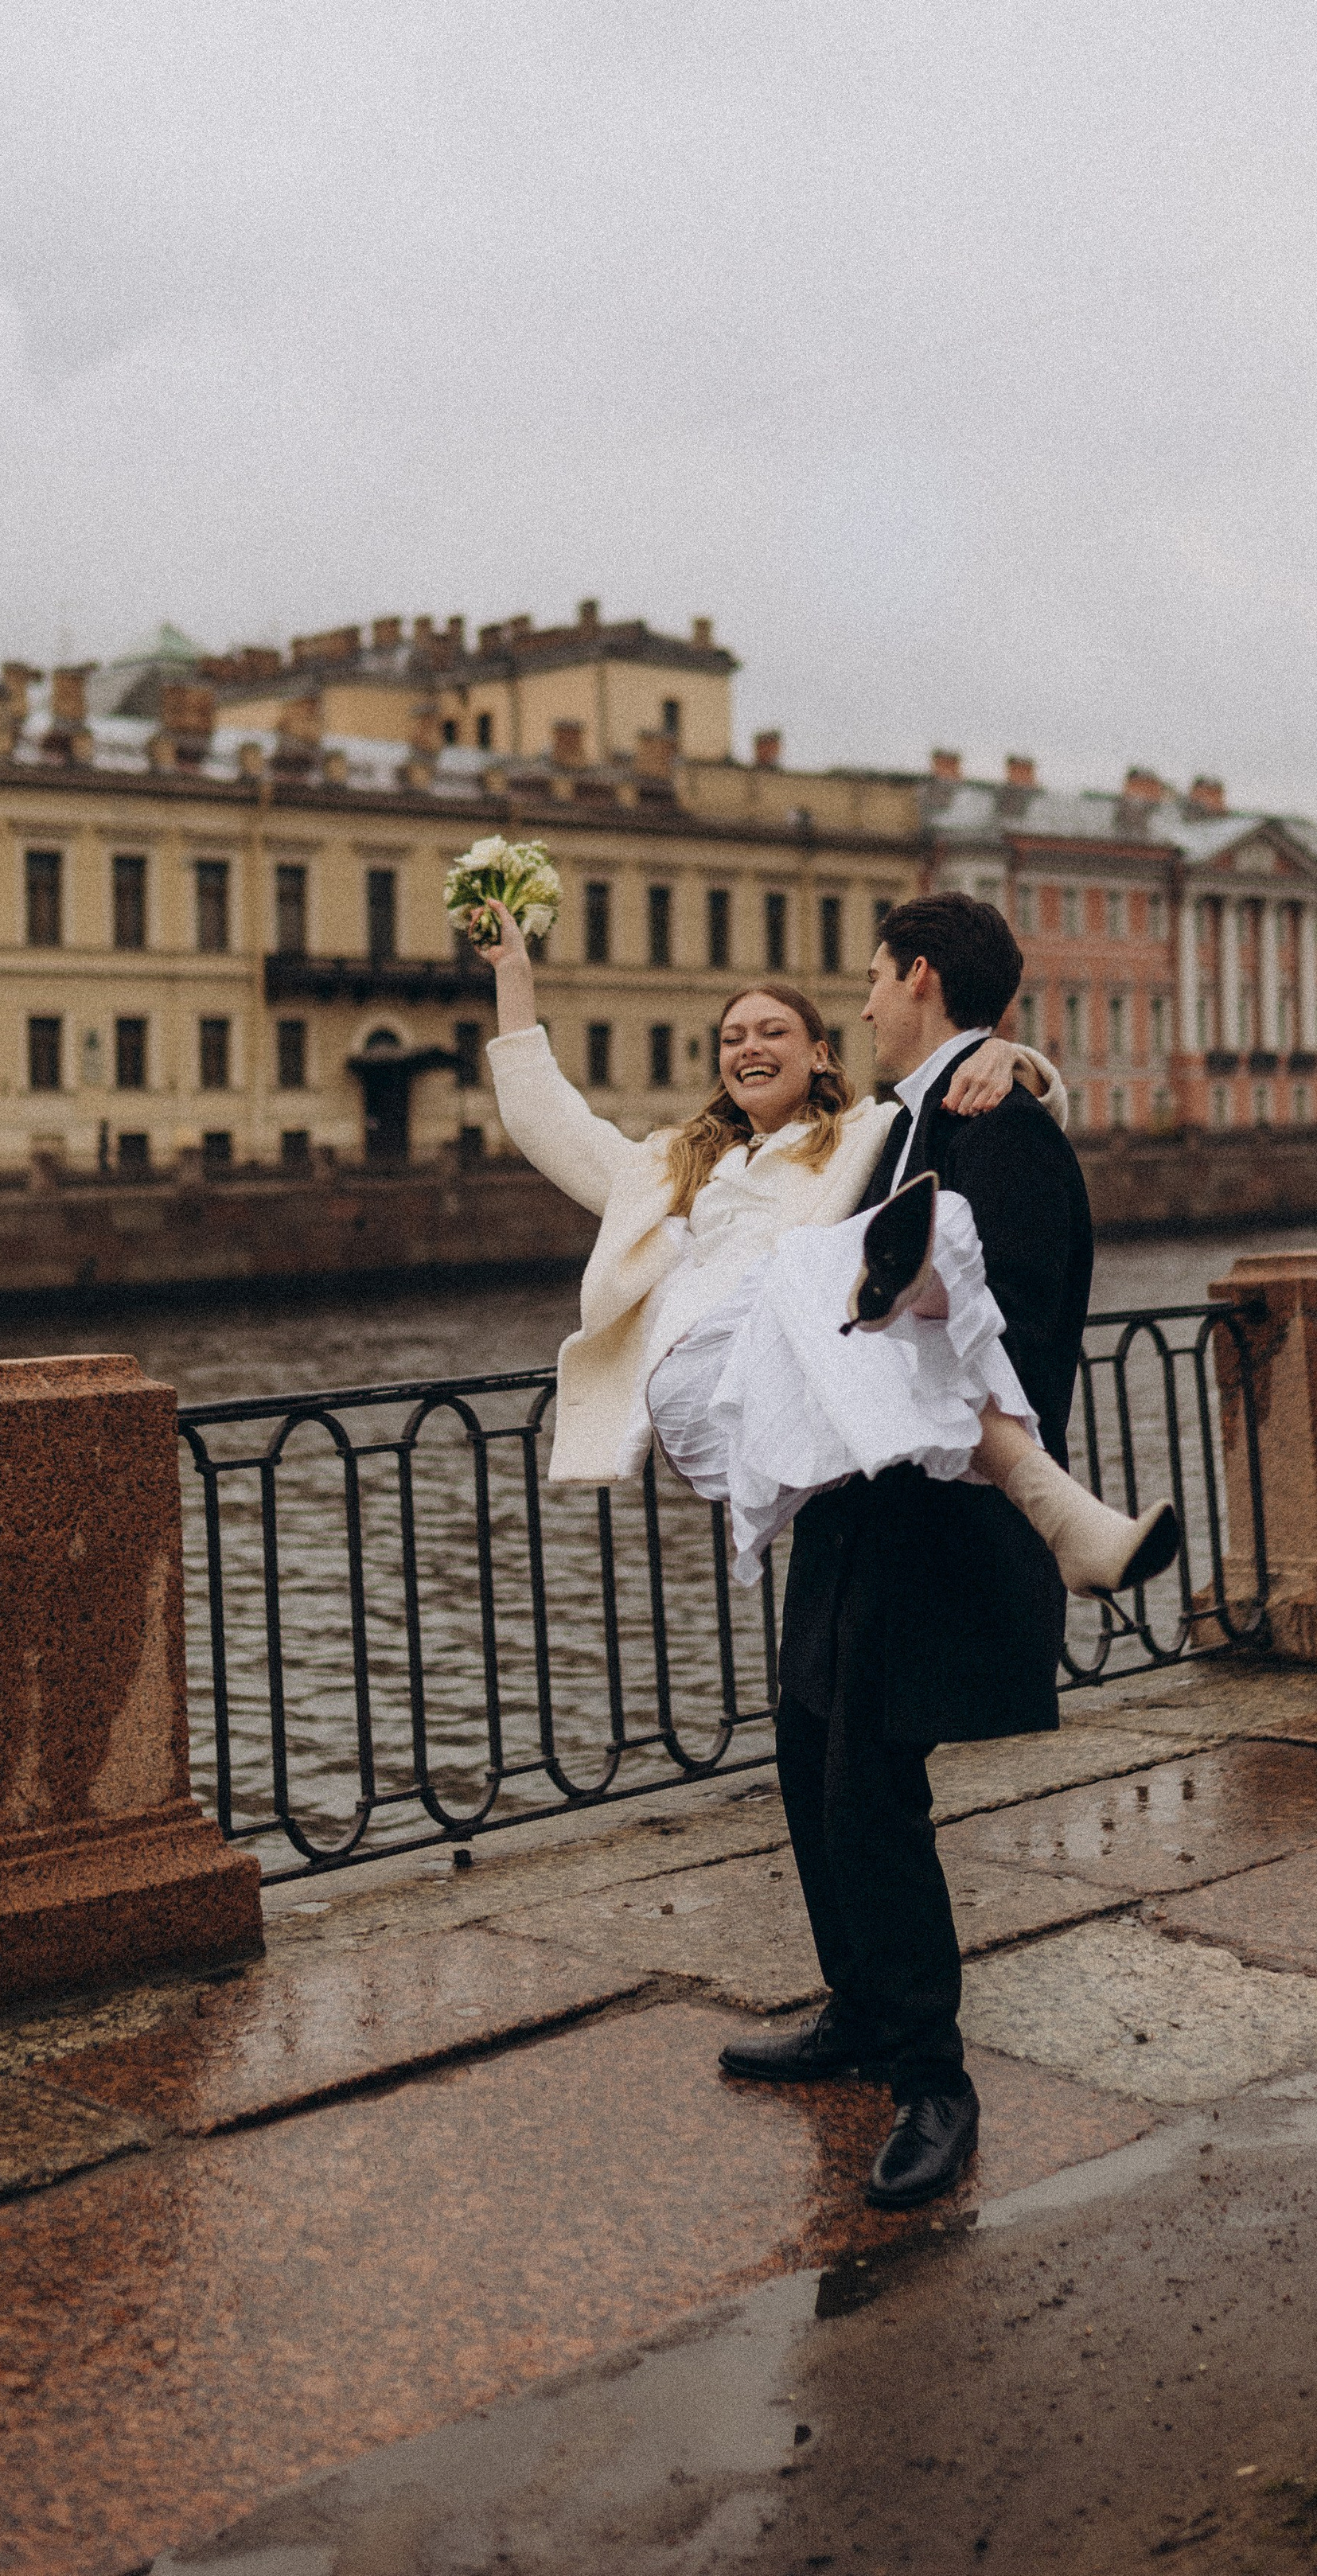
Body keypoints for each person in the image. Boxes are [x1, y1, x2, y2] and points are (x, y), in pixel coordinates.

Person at [707, 892, 1098, 2208]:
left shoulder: (1005, 1126)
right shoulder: (894, 1119)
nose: (862, 1005)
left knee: (874, 1784)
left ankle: (935, 2082)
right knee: (811, 1748)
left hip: (931, 1511)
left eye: (874, 981)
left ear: (922, 978)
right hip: (849, 1499)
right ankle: (863, 2013)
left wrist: (1030, 1063)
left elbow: (1024, 1325)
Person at [479, 906, 1174, 1596]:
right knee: (812, 1263)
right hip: (703, 1377)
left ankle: (1069, 1520)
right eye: (731, 1038)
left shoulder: (865, 1136)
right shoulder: (677, 1166)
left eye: (772, 1031)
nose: (748, 1047)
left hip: (806, 1369)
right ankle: (913, 1304)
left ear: (819, 1055)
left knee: (933, 1269)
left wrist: (1006, 1055)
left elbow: (969, 1124)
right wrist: (513, 972)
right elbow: (548, 1121)